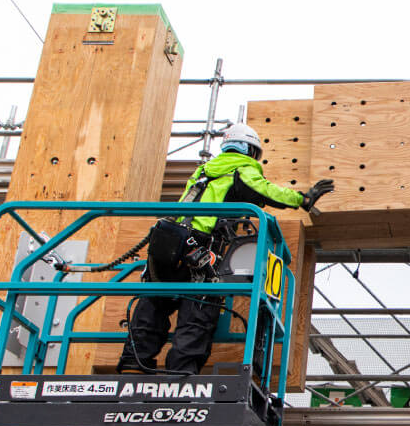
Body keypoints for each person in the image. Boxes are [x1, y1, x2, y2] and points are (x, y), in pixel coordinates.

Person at [117, 124, 334, 375]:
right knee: (198, 308)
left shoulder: (204, 171)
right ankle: (180, 375)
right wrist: (302, 200)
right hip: (198, 246)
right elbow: (263, 190)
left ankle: (134, 362)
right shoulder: (242, 167)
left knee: (156, 300)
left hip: (167, 242)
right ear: (250, 150)